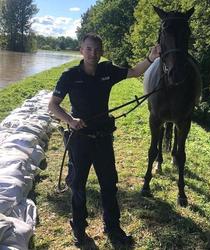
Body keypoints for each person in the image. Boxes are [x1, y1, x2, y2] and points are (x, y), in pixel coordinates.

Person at [48, 33, 160, 247]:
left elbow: (135, 72)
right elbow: (53, 106)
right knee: (78, 186)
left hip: (103, 140)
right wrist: (70, 120)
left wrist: (151, 57)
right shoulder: (69, 75)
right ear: (81, 50)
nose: (93, 53)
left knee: (109, 185)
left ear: (102, 52)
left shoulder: (108, 71)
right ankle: (79, 229)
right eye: (89, 49)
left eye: (97, 49)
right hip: (80, 140)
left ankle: (113, 227)